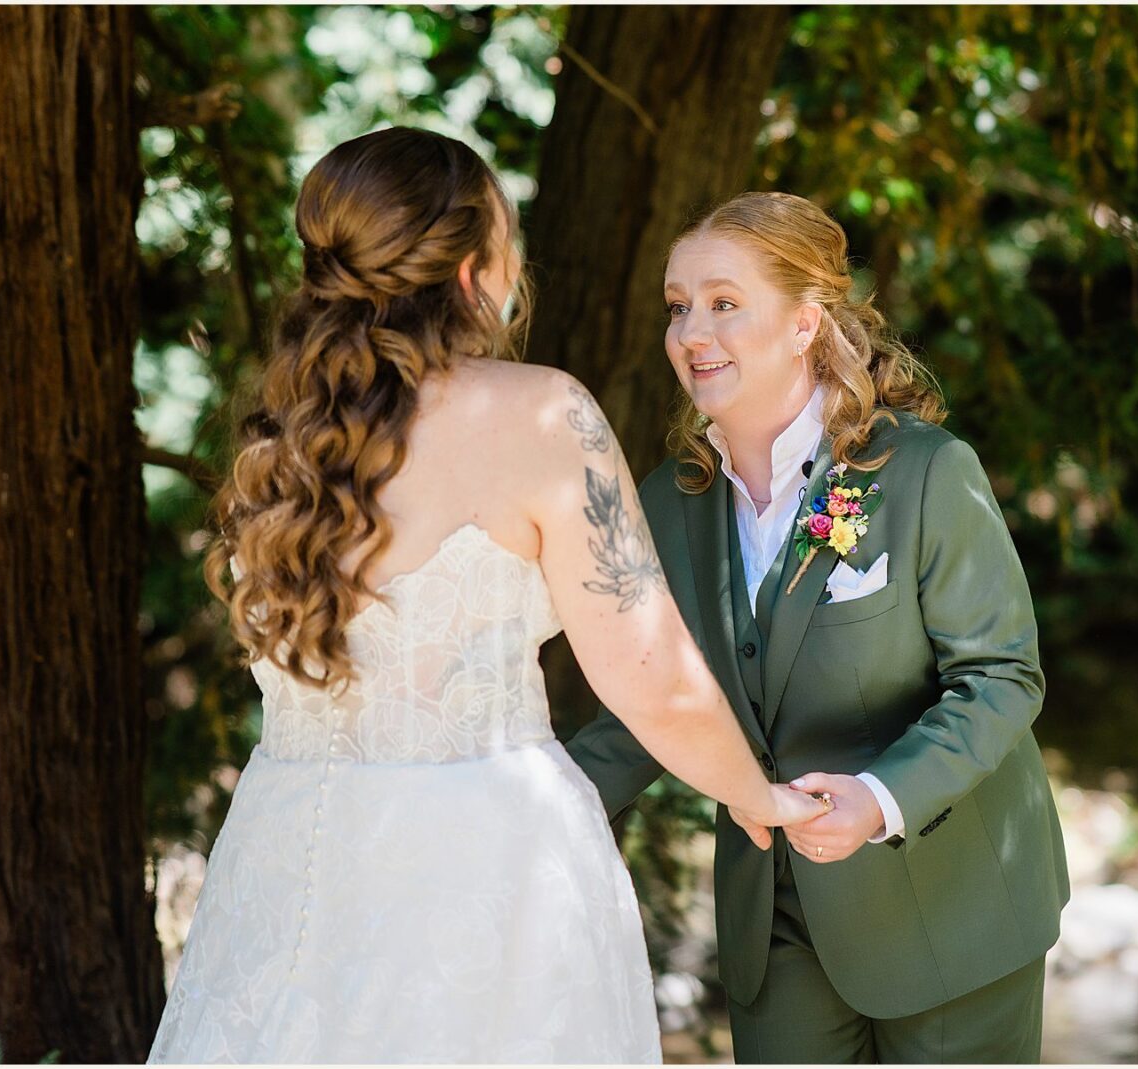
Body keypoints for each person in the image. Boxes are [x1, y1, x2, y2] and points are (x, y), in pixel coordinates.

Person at [146, 130, 824, 1064]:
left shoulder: (282, 438)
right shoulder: (543, 413)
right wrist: (761, 797)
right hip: (487, 868)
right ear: (474, 269)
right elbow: (653, 679)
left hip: (286, 847)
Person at [566, 191, 1070, 1063]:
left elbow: (1000, 677)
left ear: (804, 325)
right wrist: (519, 812)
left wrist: (879, 799)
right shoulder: (667, 505)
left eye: (724, 303)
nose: (692, 330)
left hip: (952, 911)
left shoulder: (920, 472)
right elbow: (649, 708)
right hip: (776, 928)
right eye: (678, 305)